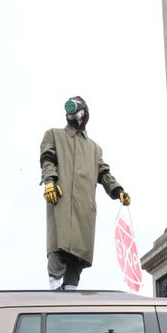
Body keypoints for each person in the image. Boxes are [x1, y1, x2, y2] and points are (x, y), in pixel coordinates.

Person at [39, 96, 130, 291]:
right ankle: (53, 290)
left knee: (78, 255)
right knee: (58, 247)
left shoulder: (94, 149)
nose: (74, 119)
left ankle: (70, 292)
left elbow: (104, 173)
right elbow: (47, 159)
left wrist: (118, 190)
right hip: (61, 201)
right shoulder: (54, 135)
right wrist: (49, 182)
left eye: (78, 114)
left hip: (84, 207)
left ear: (84, 115)